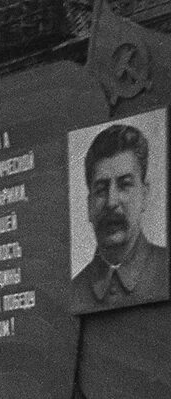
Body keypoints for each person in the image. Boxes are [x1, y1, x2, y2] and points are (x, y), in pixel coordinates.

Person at [70, 123, 171, 313]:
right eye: (101, 189)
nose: (111, 202)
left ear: (145, 195)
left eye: (124, 185)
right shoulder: (74, 292)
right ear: (89, 205)